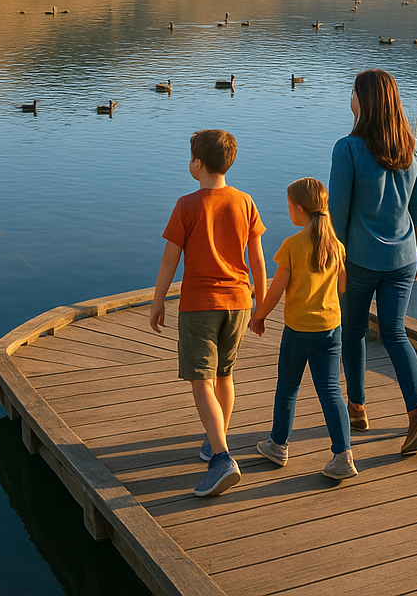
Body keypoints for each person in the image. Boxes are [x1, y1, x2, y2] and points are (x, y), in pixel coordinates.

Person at [150, 129, 268, 497]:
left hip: (200, 305)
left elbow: (171, 259)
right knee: (224, 375)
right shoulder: (245, 201)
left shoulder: (186, 205)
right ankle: (214, 441)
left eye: (190, 158)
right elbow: (258, 260)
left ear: (197, 164)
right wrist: (261, 305)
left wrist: (158, 301)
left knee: (201, 381)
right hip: (238, 303)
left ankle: (221, 458)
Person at [329, 69, 417, 455]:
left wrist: (333, 261)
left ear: (365, 100)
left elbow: (337, 214)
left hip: (358, 261)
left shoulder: (348, 149)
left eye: (353, 91)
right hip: (403, 258)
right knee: (395, 333)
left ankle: (357, 408)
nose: (349, 97)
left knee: (353, 331)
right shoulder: (415, 148)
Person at [250, 178, 356, 481]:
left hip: (297, 331)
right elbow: (344, 284)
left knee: (288, 388)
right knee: (331, 390)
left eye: (288, 206)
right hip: (330, 330)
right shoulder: (335, 246)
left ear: (298, 209)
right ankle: (343, 455)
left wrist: (260, 315)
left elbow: (276, 291)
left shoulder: (292, 247)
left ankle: (278, 445)